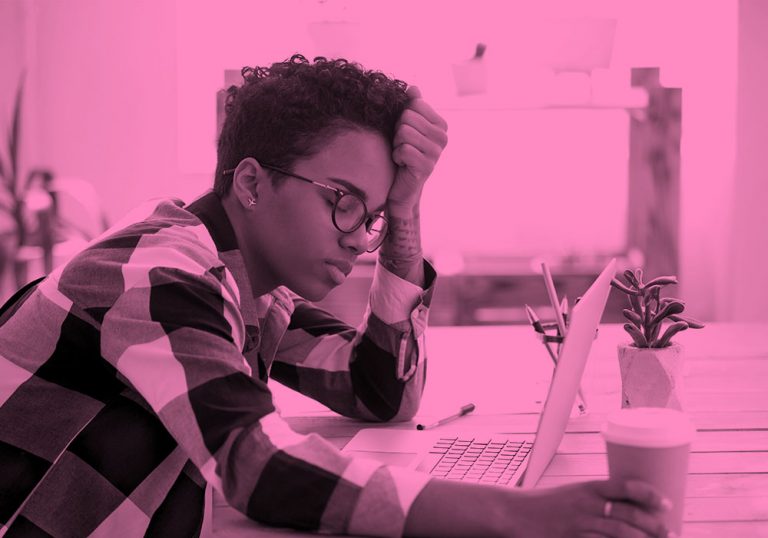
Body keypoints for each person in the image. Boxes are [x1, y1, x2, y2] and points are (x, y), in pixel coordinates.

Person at [0, 54, 673, 537]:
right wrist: (516, 516)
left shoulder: (253, 292)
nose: (360, 239)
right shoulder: (158, 275)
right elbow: (257, 467)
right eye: (343, 203)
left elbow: (377, 390)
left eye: (373, 213)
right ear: (253, 185)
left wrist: (406, 218)